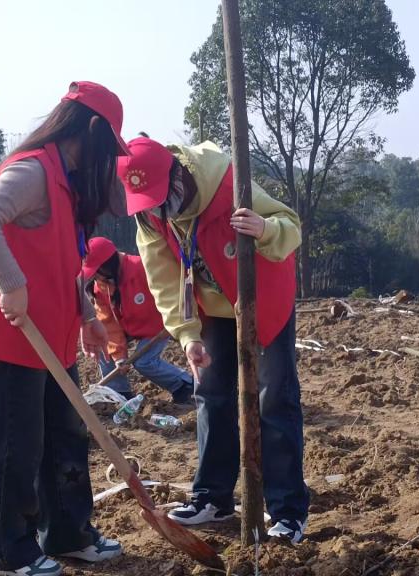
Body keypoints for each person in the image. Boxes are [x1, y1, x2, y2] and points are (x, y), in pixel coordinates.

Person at [0, 81, 125, 576]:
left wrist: (86, 316)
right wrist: (13, 284)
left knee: (64, 436)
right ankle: (7, 552)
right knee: (12, 444)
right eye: (109, 148)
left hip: (54, 335)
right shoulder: (34, 171)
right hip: (16, 335)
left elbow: (66, 258)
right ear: (91, 130)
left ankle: (67, 532)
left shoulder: (66, 180)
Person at [118, 137, 309, 544]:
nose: (158, 211)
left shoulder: (226, 181)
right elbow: (163, 279)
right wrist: (187, 335)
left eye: (161, 198)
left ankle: (288, 512)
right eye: (148, 204)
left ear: (178, 176)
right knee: (211, 395)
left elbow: (291, 226)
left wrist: (265, 229)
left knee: (273, 400)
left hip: (263, 299)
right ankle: (212, 497)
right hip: (213, 309)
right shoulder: (149, 219)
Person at [81, 236, 194, 403]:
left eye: (98, 270)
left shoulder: (141, 267)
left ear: (109, 264)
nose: (96, 276)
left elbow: (170, 290)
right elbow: (108, 324)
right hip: (128, 325)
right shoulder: (101, 286)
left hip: (157, 324)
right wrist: (119, 357)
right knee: (104, 347)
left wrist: (173, 318)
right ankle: (119, 393)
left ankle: (184, 385)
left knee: (144, 362)